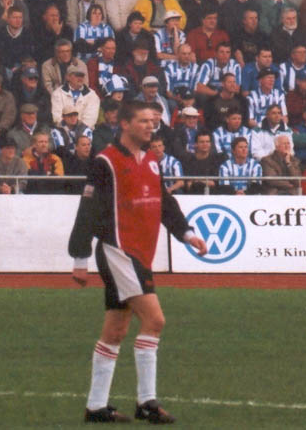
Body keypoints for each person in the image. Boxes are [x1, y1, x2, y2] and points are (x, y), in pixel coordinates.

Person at [68, 100, 207, 423]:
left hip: (139, 253)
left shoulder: (153, 162)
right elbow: (87, 209)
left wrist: (187, 233)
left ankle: (96, 406)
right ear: (125, 124)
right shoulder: (106, 161)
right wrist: (79, 256)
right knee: (155, 320)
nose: (150, 126)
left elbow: (165, 203)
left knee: (116, 330)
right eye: (143, 120)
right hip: (119, 251)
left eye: (153, 121)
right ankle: (147, 401)